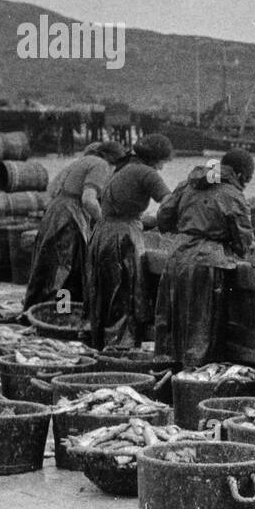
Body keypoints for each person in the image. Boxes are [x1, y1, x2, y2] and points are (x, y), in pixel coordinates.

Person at [154, 148, 255, 368]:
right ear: (239, 174)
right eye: (247, 179)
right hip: (207, 263)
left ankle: (167, 375)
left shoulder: (187, 184)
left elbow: (163, 218)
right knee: (202, 328)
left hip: (177, 258)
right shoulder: (232, 195)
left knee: (173, 322)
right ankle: (195, 378)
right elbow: (243, 241)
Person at [86, 133, 172, 349]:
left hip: (101, 234)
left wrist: (146, 221)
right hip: (122, 238)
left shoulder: (123, 168)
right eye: (162, 162)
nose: (162, 167)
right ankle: (120, 349)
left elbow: (120, 205)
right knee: (125, 295)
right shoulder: (147, 173)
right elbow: (170, 203)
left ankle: (101, 345)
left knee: (104, 295)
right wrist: (166, 221)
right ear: (156, 159)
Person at [24, 141, 127, 309]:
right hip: (69, 216)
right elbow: (89, 200)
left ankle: (39, 308)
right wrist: (105, 223)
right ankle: (60, 313)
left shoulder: (83, 160)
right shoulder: (100, 165)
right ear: (112, 159)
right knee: (67, 268)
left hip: (56, 211)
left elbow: (52, 190)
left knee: (49, 266)